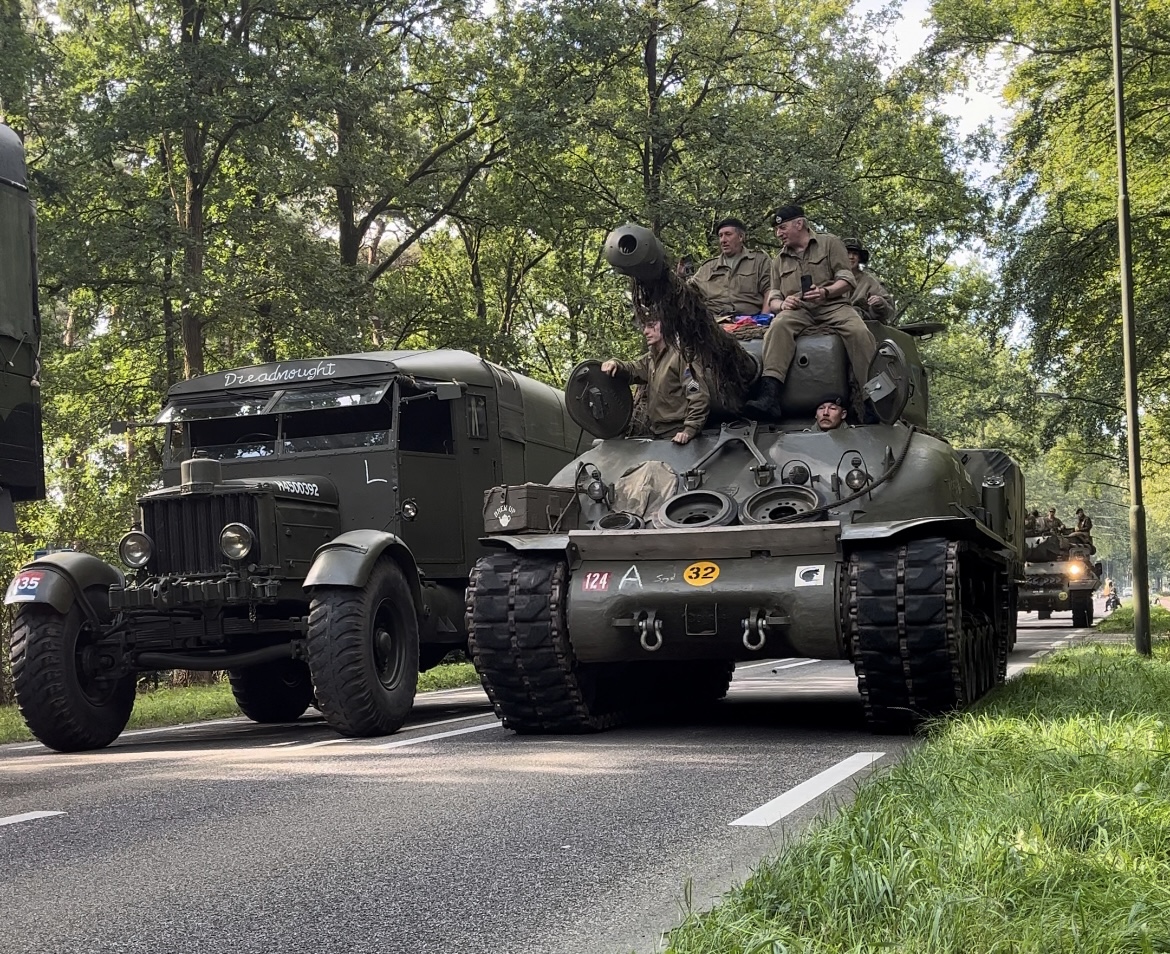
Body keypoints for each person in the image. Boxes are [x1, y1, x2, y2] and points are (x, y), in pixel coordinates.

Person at [744, 205, 877, 420]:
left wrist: (825, 292)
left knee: (858, 332)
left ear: (799, 224)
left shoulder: (830, 243)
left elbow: (847, 280)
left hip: (833, 306)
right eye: (777, 230)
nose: (779, 233)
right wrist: (783, 304)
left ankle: (872, 400)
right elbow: (774, 297)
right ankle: (769, 396)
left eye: (782, 227)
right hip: (799, 310)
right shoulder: (778, 260)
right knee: (778, 326)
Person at [601, 319, 708, 444]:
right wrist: (616, 365)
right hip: (658, 433)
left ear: (666, 325)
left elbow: (698, 394)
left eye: (651, 326)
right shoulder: (652, 358)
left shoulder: (681, 356)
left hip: (677, 433)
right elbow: (634, 369)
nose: (645, 331)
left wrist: (689, 430)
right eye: (645, 327)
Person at [689, 217, 772, 320]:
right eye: (720, 236)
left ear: (741, 237)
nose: (723, 240)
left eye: (728, 234)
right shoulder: (707, 267)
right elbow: (687, 292)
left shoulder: (758, 261)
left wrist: (764, 318)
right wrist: (680, 275)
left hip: (751, 320)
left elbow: (770, 290)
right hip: (715, 322)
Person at [842, 237, 895, 323]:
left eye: (855, 254)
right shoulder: (830, 278)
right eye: (848, 253)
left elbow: (889, 311)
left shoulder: (869, 281)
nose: (851, 257)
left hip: (861, 324)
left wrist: (880, 303)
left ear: (859, 258)